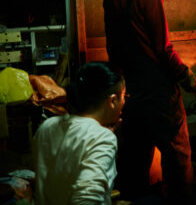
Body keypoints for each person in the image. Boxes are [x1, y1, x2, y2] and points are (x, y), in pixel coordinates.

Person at [103, 0, 196, 204]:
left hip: (133, 96)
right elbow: (164, 50)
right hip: (161, 99)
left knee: (134, 166)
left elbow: (113, 51)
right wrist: (190, 79)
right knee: (178, 163)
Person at [32, 61, 126, 205]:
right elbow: (87, 200)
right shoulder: (102, 138)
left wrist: (100, 136)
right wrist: (102, 138)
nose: (124, 101)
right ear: (113, 100)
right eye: (124, 96)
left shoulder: (46, 127)